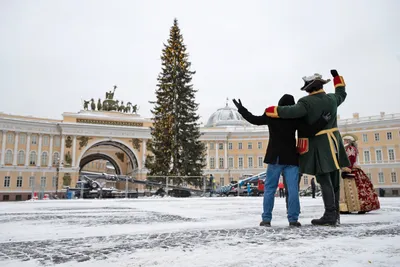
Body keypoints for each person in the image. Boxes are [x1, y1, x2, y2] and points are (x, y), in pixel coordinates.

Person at [264, 69, 351, 226]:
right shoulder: (332, 99)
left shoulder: (306, 102)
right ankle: (335, 214)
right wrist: (337, 78)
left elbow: (290, 112)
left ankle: (329, 215)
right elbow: (341, 93)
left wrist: (273, 110)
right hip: (334, 142)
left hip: (318, 145)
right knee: (334, 178)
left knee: (323, 177)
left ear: (308, 89)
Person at [232, 94, 330, 227]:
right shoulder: (295, 117)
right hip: (291, 158)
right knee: (293, 189)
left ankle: (266, 219)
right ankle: (293, 219)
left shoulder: (271, 115)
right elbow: (309, 130)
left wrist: (242, 110)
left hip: (275, 158)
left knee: (269, 189)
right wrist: (323, 121)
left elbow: (254, 120)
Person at [339, 135, 380, 214]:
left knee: (352, 189)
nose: (343, 142)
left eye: (344, 140)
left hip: (351, 170)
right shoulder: (350, 148)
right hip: (353, 169)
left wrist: (346, 169)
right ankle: (359, 207)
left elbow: (351, 159)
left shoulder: (350, 148)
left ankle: (352, 207)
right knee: (359, 189)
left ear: (348, 141)